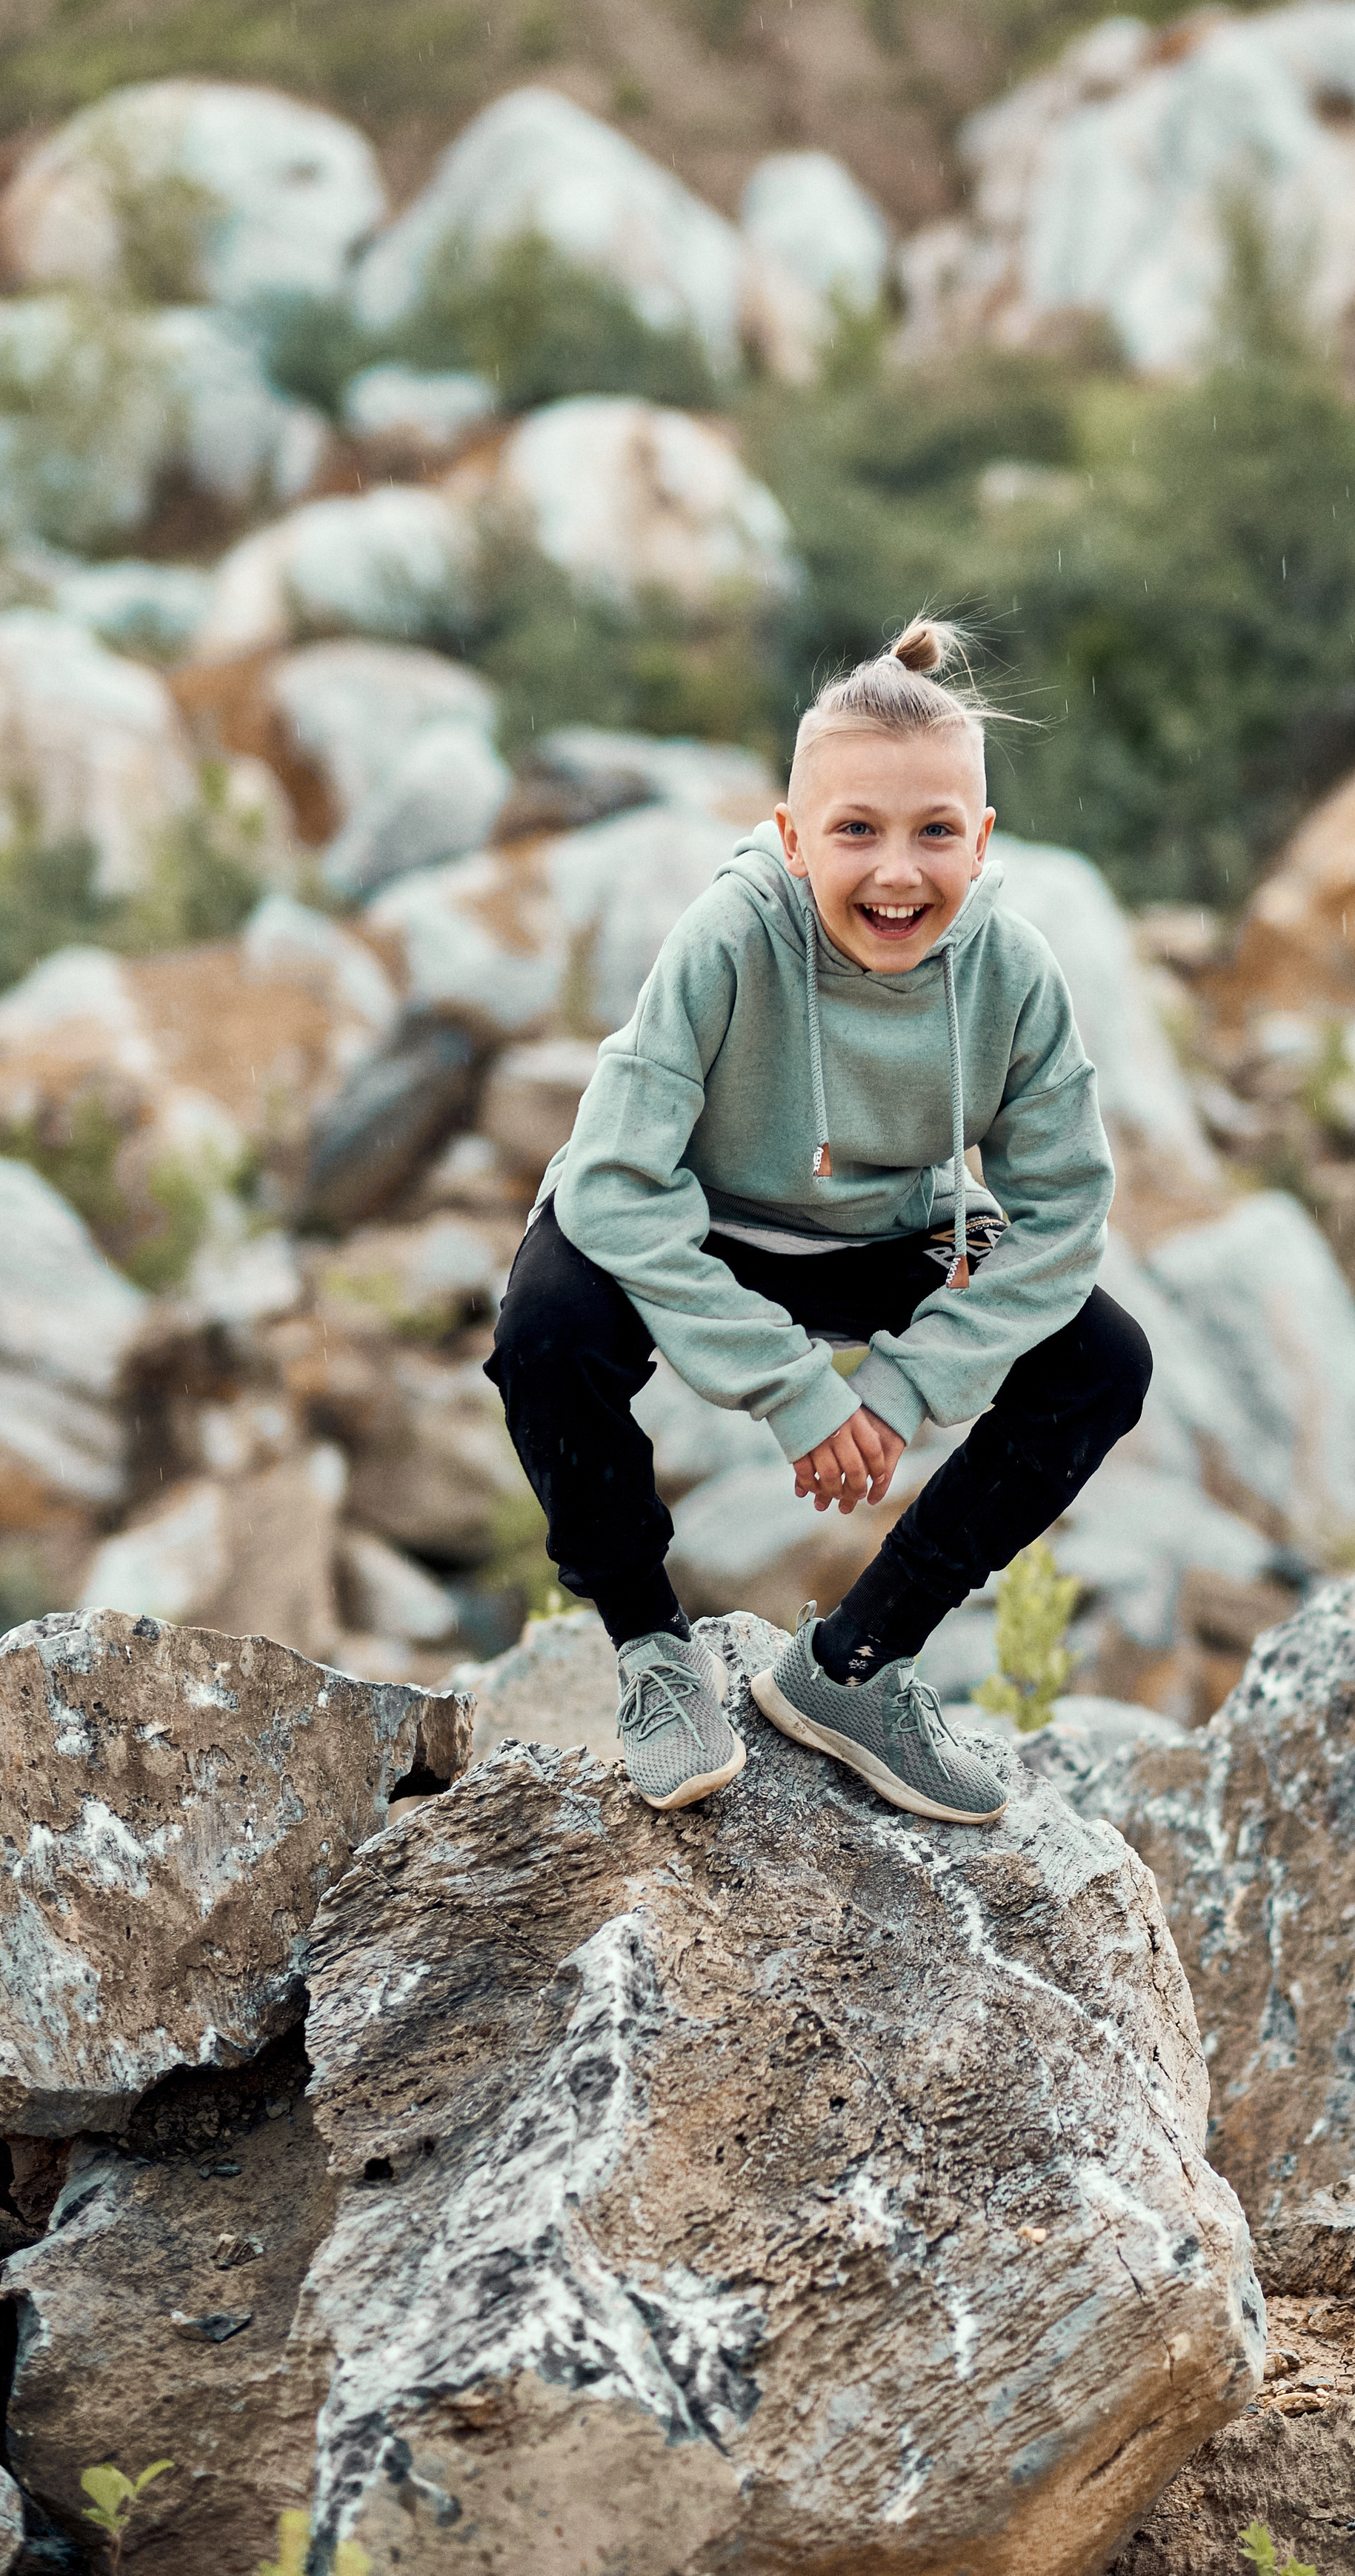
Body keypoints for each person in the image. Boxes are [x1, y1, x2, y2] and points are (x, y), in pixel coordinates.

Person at [484, 618, 1151, 1823]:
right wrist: (792, 1387)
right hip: (691, 1215)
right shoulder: (730, 939)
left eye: (935, 833)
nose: (897, 873)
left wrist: (904, 1387)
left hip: (886, 1225)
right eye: (856, 832)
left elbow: (1064, 1210)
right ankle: (651, 1653)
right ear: (793, 840)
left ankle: (854, 1669)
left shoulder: (1011, 975)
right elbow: (614, 1183)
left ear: (982, 841)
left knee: (1102, 1364)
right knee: (545, 1330)